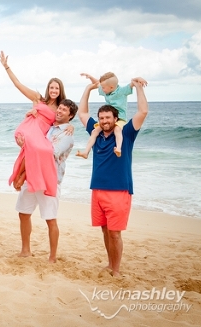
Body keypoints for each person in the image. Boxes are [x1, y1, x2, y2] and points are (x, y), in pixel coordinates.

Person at [77, 77, 148, 278]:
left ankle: (116, 270)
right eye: (102, 118)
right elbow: (82, 112)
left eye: (108, 118)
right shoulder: (96, 132)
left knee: (115, 233)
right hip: (97, 190)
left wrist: (139, 88)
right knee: (105, 230)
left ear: (115, 119)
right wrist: (88, 89)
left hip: (119, 190)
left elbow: (142, 112)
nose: (105, 121)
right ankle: (110, 264)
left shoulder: (126, 133)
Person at [16, 99, 77, 263]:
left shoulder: (67, 135)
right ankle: (25, 250)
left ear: (70, 116)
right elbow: (31, 137)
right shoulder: (48, 128)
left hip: (50, 179)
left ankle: (52, 256)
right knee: (23, 213)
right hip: (33, 175)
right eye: (60, 108)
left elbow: (50, 151)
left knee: (50, 219)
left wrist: (32, 144)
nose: (60, 111)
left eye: (64, 110)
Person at [0, 50, 66, 195]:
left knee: (46, 150)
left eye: (56, 88)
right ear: (48, 89)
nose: (53, 90)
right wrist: (6, 67)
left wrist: (71, 126)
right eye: (51, 87)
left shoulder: (60, 107)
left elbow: (65, 120)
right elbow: (18, 84)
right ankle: (20, 177)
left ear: (60, 90)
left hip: (41, 135)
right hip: (28, 128)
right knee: (33, 147)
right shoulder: (38, 98)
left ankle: (21, 176)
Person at [76, 72, 147, 158]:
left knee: (117, 130)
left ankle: (118, 148)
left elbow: (132, 84)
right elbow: (98, 83)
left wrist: (138, 79)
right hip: (110, 116)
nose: (102, 89)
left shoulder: (121, 91)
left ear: (111, 87)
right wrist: (91, 78)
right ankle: (86, 152)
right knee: (94, 132)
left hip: (120, 119)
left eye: (103, 88)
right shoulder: (106, 91)